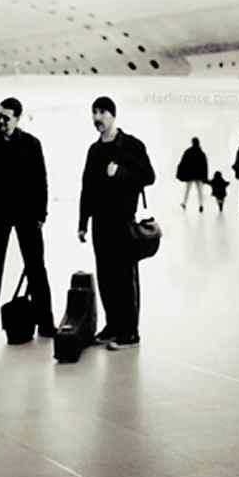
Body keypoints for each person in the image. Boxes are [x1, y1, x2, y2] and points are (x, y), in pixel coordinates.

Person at [0, 97, 56, 339]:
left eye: (6, 118)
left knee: (36, 267)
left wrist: (41, 213)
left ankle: (46, 323)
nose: (1, 121)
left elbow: (40, 181)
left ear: (17, 119)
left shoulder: (32, 144)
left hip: (26, 213)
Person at [77, 96, 155, 350]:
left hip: (123, 221)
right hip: (100, 223)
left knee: (124, 278)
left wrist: (120, 173)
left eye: (102, 112)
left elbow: (149, 176)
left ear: (113, 115)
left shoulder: (131, 145)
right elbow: (87, 188)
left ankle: (130, 332)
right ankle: (113, 326)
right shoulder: (94, 150)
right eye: (94, 112)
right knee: (106, 278)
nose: (97, 118)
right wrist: (83, 222)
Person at [176, 137, 209, 212]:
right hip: (199, 175)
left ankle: (184, 203)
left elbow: (183, 163)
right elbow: (205, 166)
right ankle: (201, 205)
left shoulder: (188, 152)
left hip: (190, 175)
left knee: (187, 189)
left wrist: (181, 173)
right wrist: (205, 177)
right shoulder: (201, 153)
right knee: (200, 191)